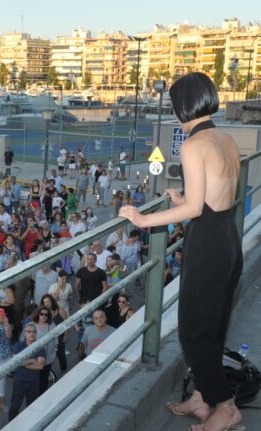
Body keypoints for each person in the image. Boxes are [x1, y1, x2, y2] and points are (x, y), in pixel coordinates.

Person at [120, 72, 244, 431]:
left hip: (207, 242)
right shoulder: (226, 139)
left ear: (182, 107)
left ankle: (226, 407)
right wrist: (183, 200)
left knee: (193, 330)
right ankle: (203, 397)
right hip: (227, 235)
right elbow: (216, 196)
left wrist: (144, 219)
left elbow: (195, 209)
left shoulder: (192, 145)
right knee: (214, 324)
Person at [8, 322, 45, 420]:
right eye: (29, 331)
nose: (32, 333)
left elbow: (40, 366)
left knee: (32, 407)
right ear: (24, 334)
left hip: (33, 382)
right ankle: (12, 425)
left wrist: (22, 363)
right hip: (19, 381)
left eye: (34, 331)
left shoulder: (40, 346)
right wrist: (31, 360)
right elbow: (15, 363)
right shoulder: (18, 346)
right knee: (15, 406)